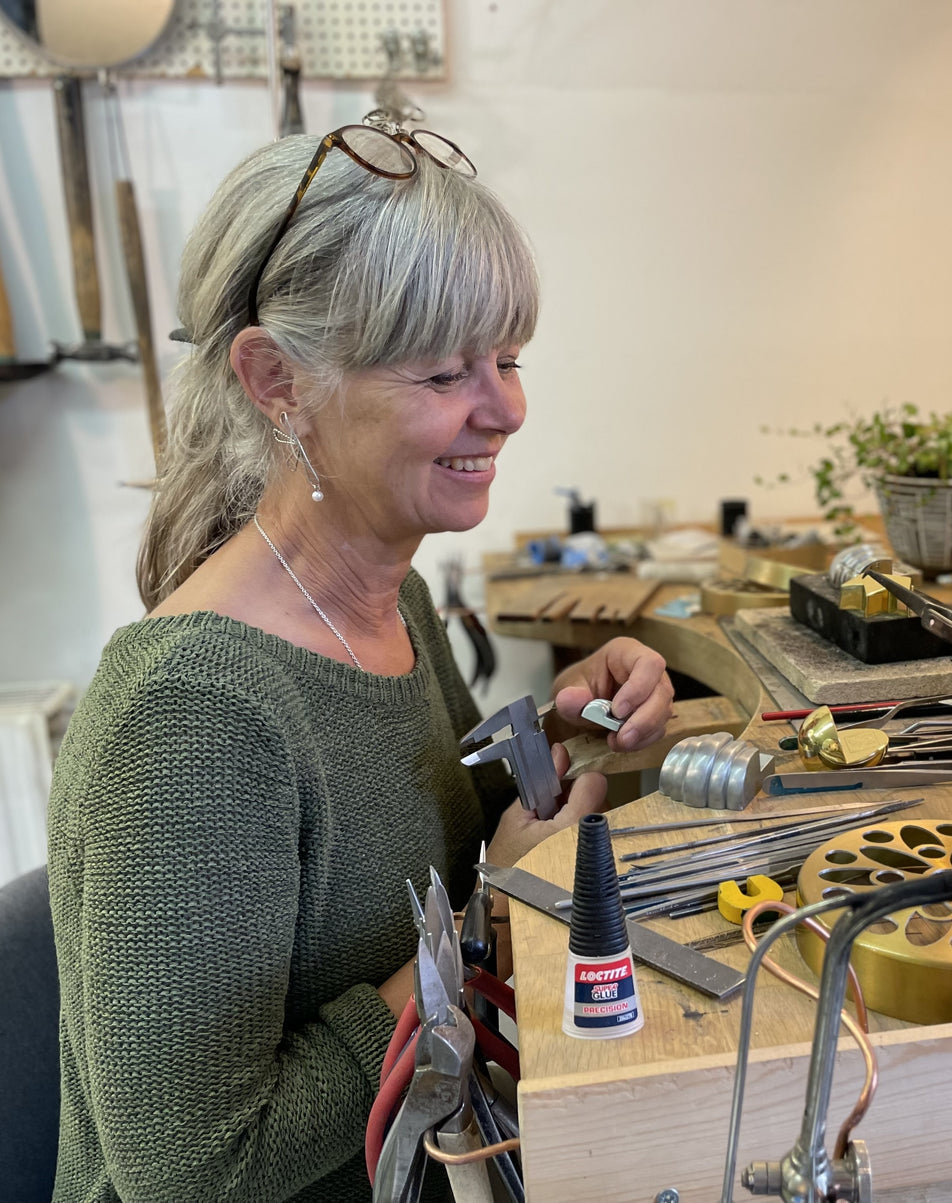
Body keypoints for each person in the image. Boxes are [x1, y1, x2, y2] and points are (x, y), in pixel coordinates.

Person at [46, 118, 673, 1203]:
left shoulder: (394, 599)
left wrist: (569, 735)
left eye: (509, 357)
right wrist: (482, 936)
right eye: (444, 371)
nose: (506, 408)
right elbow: (193, 1174)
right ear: (275, 379)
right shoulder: (195, 713)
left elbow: (430, 829)